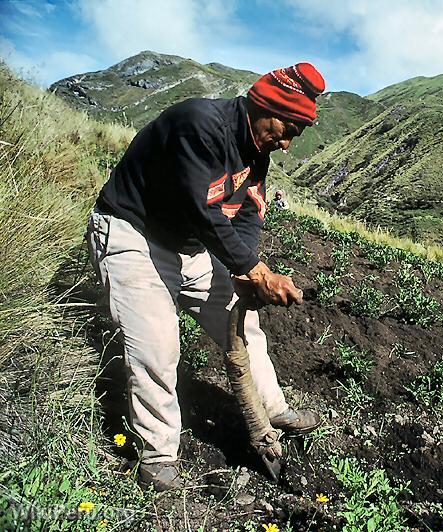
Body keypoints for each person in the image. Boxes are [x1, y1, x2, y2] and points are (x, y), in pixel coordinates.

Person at [85, 62, 325, 491]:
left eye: (297, 135)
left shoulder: (257, 154)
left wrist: (244, 269)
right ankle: (158, 455)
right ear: (266, 107)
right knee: (157, 345)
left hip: (189, 245)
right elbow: (202, 208)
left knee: (245, 324)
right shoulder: (199, 125)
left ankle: (272, 411)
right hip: (134, 233)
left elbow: (247, 214)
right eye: (287, 129)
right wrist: (252, 269)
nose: (287, 143)